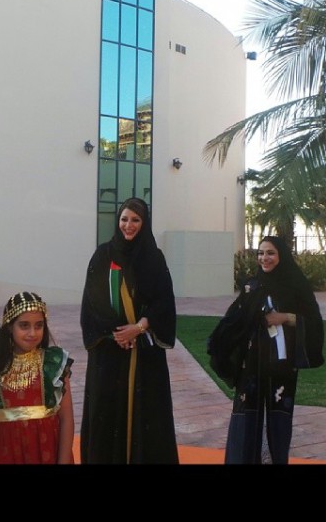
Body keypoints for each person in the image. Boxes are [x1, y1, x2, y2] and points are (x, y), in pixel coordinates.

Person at [79, 197, 179, 464]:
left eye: (135, 220)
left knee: (147, 415)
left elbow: (164, 301)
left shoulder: (154, 258)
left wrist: (139, 327)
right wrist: (118, 333)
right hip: (109, 352)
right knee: (107, 413)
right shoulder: (103, 255)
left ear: (144, 223)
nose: (128, 225)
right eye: (124, 219)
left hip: (145, 351)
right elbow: (93, 301)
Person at [223, 235, 324, 464]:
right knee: (246, 417)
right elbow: (235, 319)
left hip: (281, 366)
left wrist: (285, 317)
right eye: (260, 253)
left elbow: (314, 322)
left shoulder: (296, 285)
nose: (264, 258)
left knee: (278, 419)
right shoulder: (252, 285)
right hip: (252, 364)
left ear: (281, 256)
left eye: (270, 253)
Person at [0, 291, 75, 464]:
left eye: (39, 325)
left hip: (47, 451)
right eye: (24, 326)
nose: (32, 333)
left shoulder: (53, 364)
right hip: (7, 452)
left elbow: (66, 418)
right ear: (9, 327)